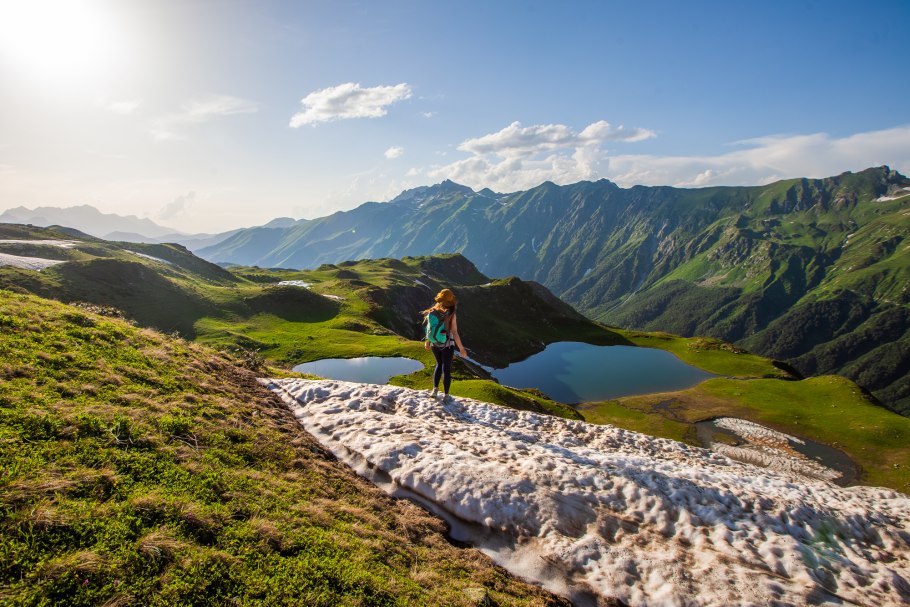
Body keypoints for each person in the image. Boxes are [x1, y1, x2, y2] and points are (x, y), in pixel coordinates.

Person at [422, 288, 467, 403]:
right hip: (447, 345)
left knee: (438, 365)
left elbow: (428, 328)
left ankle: (435, 390)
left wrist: (427, 341)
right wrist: (461, 348)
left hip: (434, 343)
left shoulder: (432, 311)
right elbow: (455, 332)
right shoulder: (451, 314)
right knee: (446, 369)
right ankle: (446, 396)